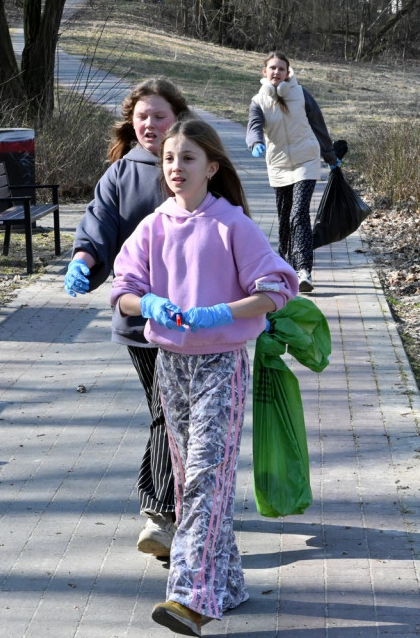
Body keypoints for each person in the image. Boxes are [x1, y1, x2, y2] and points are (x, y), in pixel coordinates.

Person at [110, 117, 298, 635]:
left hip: (223, 362)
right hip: (172, 365)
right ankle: (228, 583)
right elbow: (121, 288)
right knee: (192, 480)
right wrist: (144, 300)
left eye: (188, 159)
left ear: (211, 167)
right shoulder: (154, 225)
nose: (176, 168)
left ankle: (190, 597)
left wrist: (227, 312)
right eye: (169, 159)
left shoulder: (232, 224)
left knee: (205, 479)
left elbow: (280, 286)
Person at [64, 78, 190, 558]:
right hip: (139, 318)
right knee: (167, 409)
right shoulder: (120, 174)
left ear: (176, 117)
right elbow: (97, 224)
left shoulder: (195, 163)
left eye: (159, 116)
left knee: (171, 411)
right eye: (142, 117)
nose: (150, 125)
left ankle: (170, 507)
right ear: (130, 121)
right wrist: (84, 258)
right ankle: (161, 513)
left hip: (192, 319)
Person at [246, 50, 339, 293]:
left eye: (281, 68)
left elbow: (318, 124)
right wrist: (255, 142)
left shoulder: (300, 94)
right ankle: (285, 265)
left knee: (299, 213)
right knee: (285, 217)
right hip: (278, 165)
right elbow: (254, 126)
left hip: (306, 160)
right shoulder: (258, 101)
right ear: (264, 72)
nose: (276, 72)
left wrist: (330, 157)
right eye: (272, 68)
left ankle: (304, 270)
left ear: (288, 73)